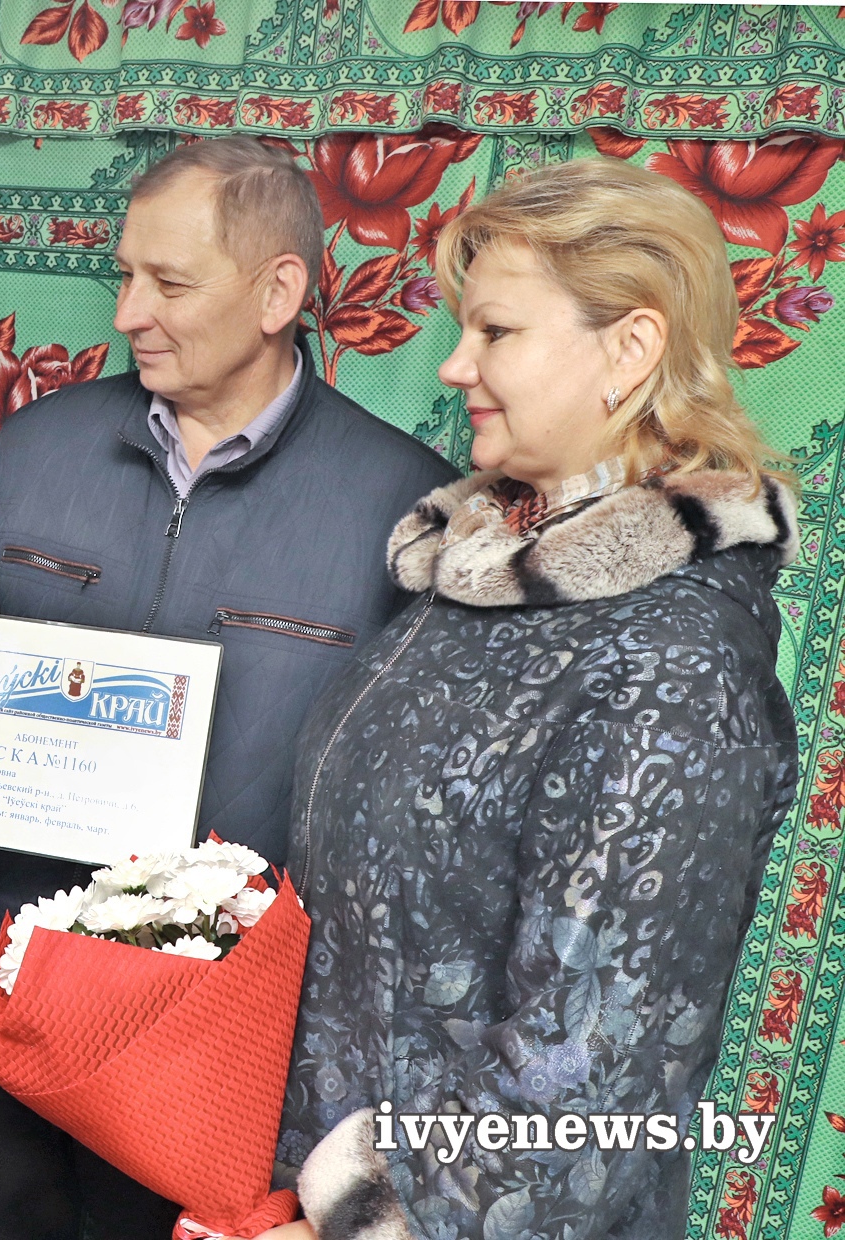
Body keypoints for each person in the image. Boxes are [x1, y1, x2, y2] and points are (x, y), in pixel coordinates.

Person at [0, 137, 459, 1238]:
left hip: (218, 1030)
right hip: (12, 988)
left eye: (170, 283)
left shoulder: (407, 500)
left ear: (281, 290)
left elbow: (408, 816)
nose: (128, 311)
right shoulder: (37, 445)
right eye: (124, 275)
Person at [272, 159, 799, 1240]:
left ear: (631, 349)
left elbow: (593, 1081)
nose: (457, 366)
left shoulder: (677, 656)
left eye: (497, 333)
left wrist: (355, 1220)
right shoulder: (475, 564)